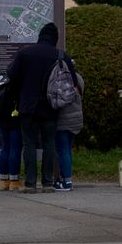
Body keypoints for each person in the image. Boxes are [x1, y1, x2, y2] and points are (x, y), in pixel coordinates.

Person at [5, 22, 63, 193]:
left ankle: (30, 183)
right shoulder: (59, 55)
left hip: (28, 107)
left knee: (29, 144)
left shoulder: (25, 53)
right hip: (51, 108)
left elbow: (11, 76)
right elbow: (71, 80)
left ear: (40, 35)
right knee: (49, 144)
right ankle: (47, 183)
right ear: (55, 39)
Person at [53, 57, 85, 192]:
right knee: (67, 149)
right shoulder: (78, 79)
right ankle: (67, 178)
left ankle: (66, 181)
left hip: (63, 120)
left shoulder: (59, 80)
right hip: (76, 119)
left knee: (63, 150)